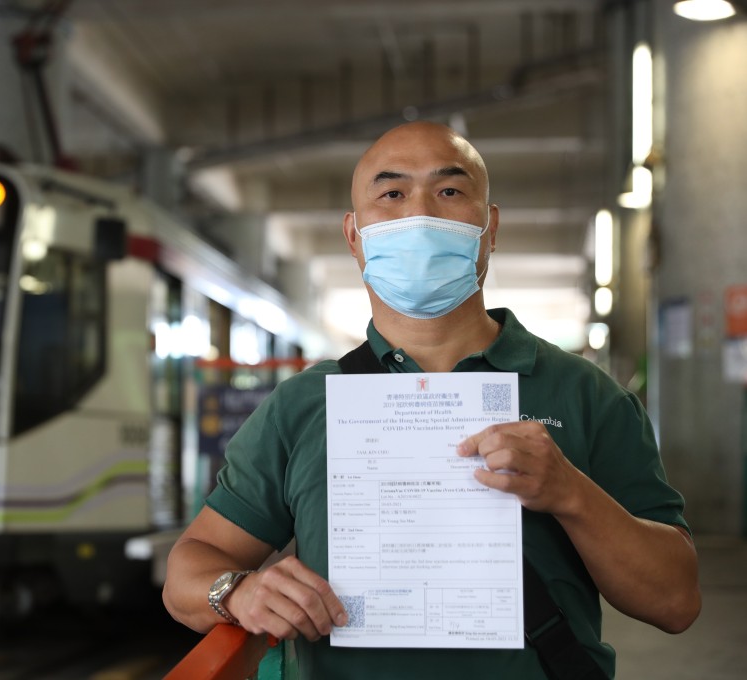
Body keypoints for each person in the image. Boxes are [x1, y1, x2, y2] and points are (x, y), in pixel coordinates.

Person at [161, 121, 700, 678]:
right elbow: (188, 572)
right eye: (391, 193)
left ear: (489, 229)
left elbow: (674, 601)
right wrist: (237, 591)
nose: (419, 215)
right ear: (354, 236)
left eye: (449, 191)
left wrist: (570, 493)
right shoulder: (303, 407)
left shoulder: (586, 396)